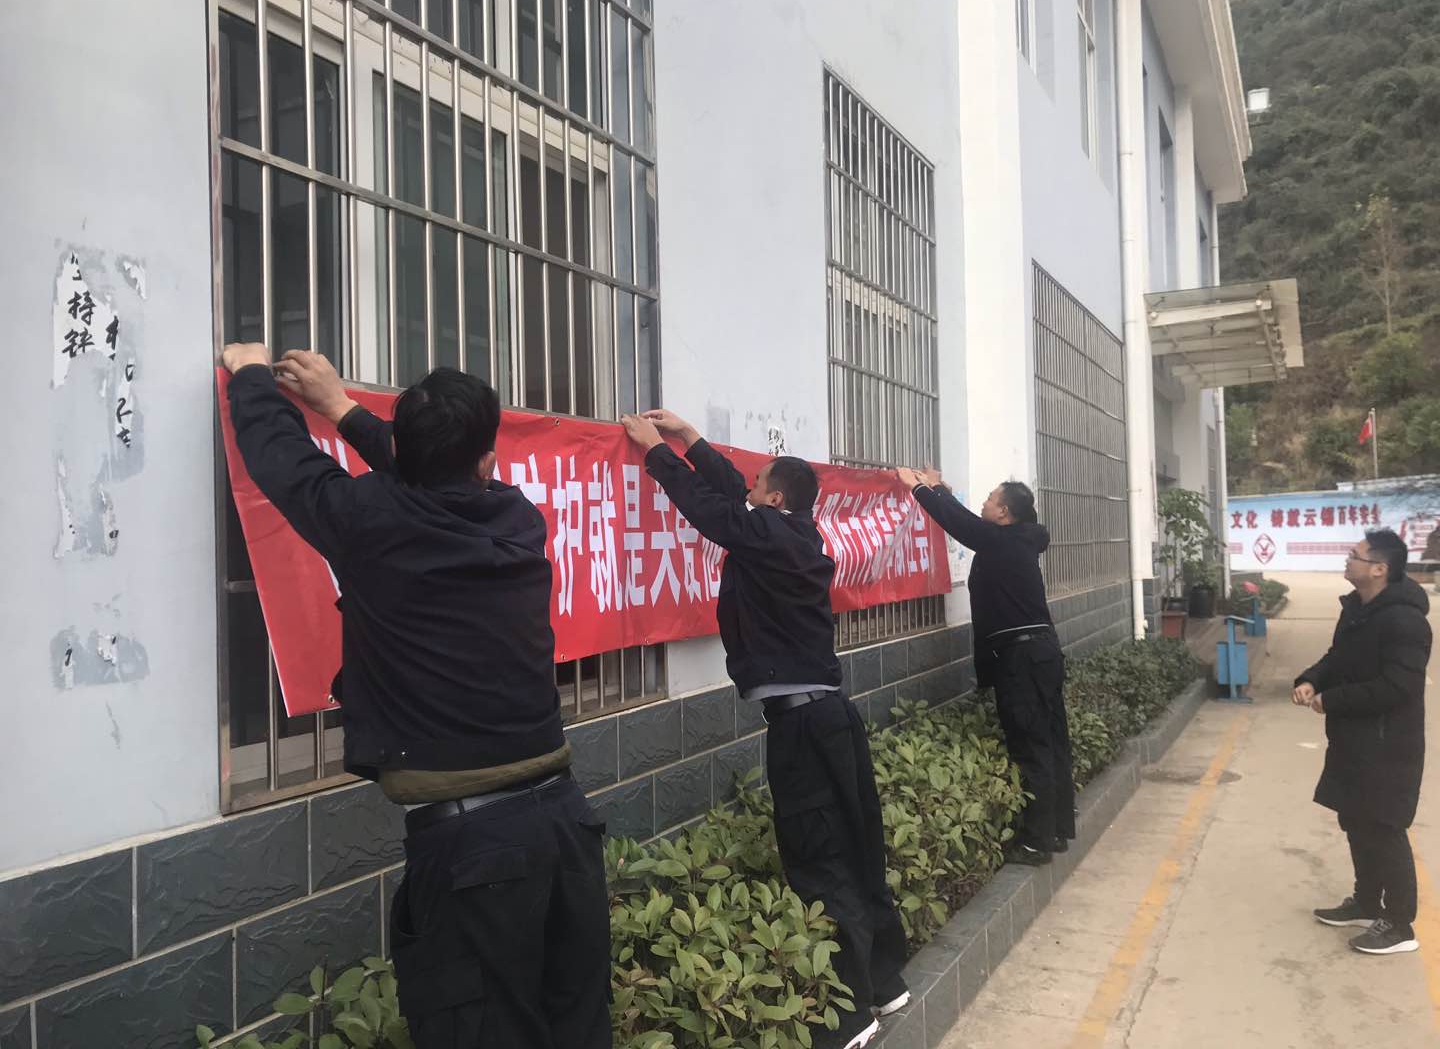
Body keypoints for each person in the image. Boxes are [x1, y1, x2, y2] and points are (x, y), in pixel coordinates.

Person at [221, 344, 611, 1048]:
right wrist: (343, 410)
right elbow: (436, 477)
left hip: (472, 855)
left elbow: (284, 461)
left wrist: (251, 375)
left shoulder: (367, 522)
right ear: (487, 462)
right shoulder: (516, 518)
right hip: (565, 827)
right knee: (577, 1029)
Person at [620, 409, 906, 1049]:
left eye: (758, 484)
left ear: (775, 501)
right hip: (829, 715)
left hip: (802, 726)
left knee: (818, 856)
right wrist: (690, 438)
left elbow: (713, 511)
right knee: (857, 843)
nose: (747, 487)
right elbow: (731, 497)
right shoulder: (793, 533)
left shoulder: (770, 534)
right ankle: (885, 980)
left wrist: (656, 453)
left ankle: (849, 1015)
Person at [896, 469, 1073, 866]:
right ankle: (1058, 829)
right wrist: (940, 489)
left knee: (1031, 744)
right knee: (1051, 739)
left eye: (991, 498)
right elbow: (970, 522)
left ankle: (1037, 842)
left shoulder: (1002, 542)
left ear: (1004, 512)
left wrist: (920, 488)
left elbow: (961, 524)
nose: (984, 502)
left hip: (1023, 658)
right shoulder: (1015, 541)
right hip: (1042, 652)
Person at [1295, 528, 1431, 955]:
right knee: (1355, 819)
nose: (1347, 559)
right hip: (1354, 738)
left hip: (1388, 745)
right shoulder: (1358, 609)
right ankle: (1367, 902)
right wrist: (1312, 679)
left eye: (1355, 555)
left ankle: (1400, 925)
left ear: (1379, 569)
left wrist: (1332, 699)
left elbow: (1398, 687)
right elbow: (1339, 657)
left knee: (1384, 827)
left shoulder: (1406, 621)